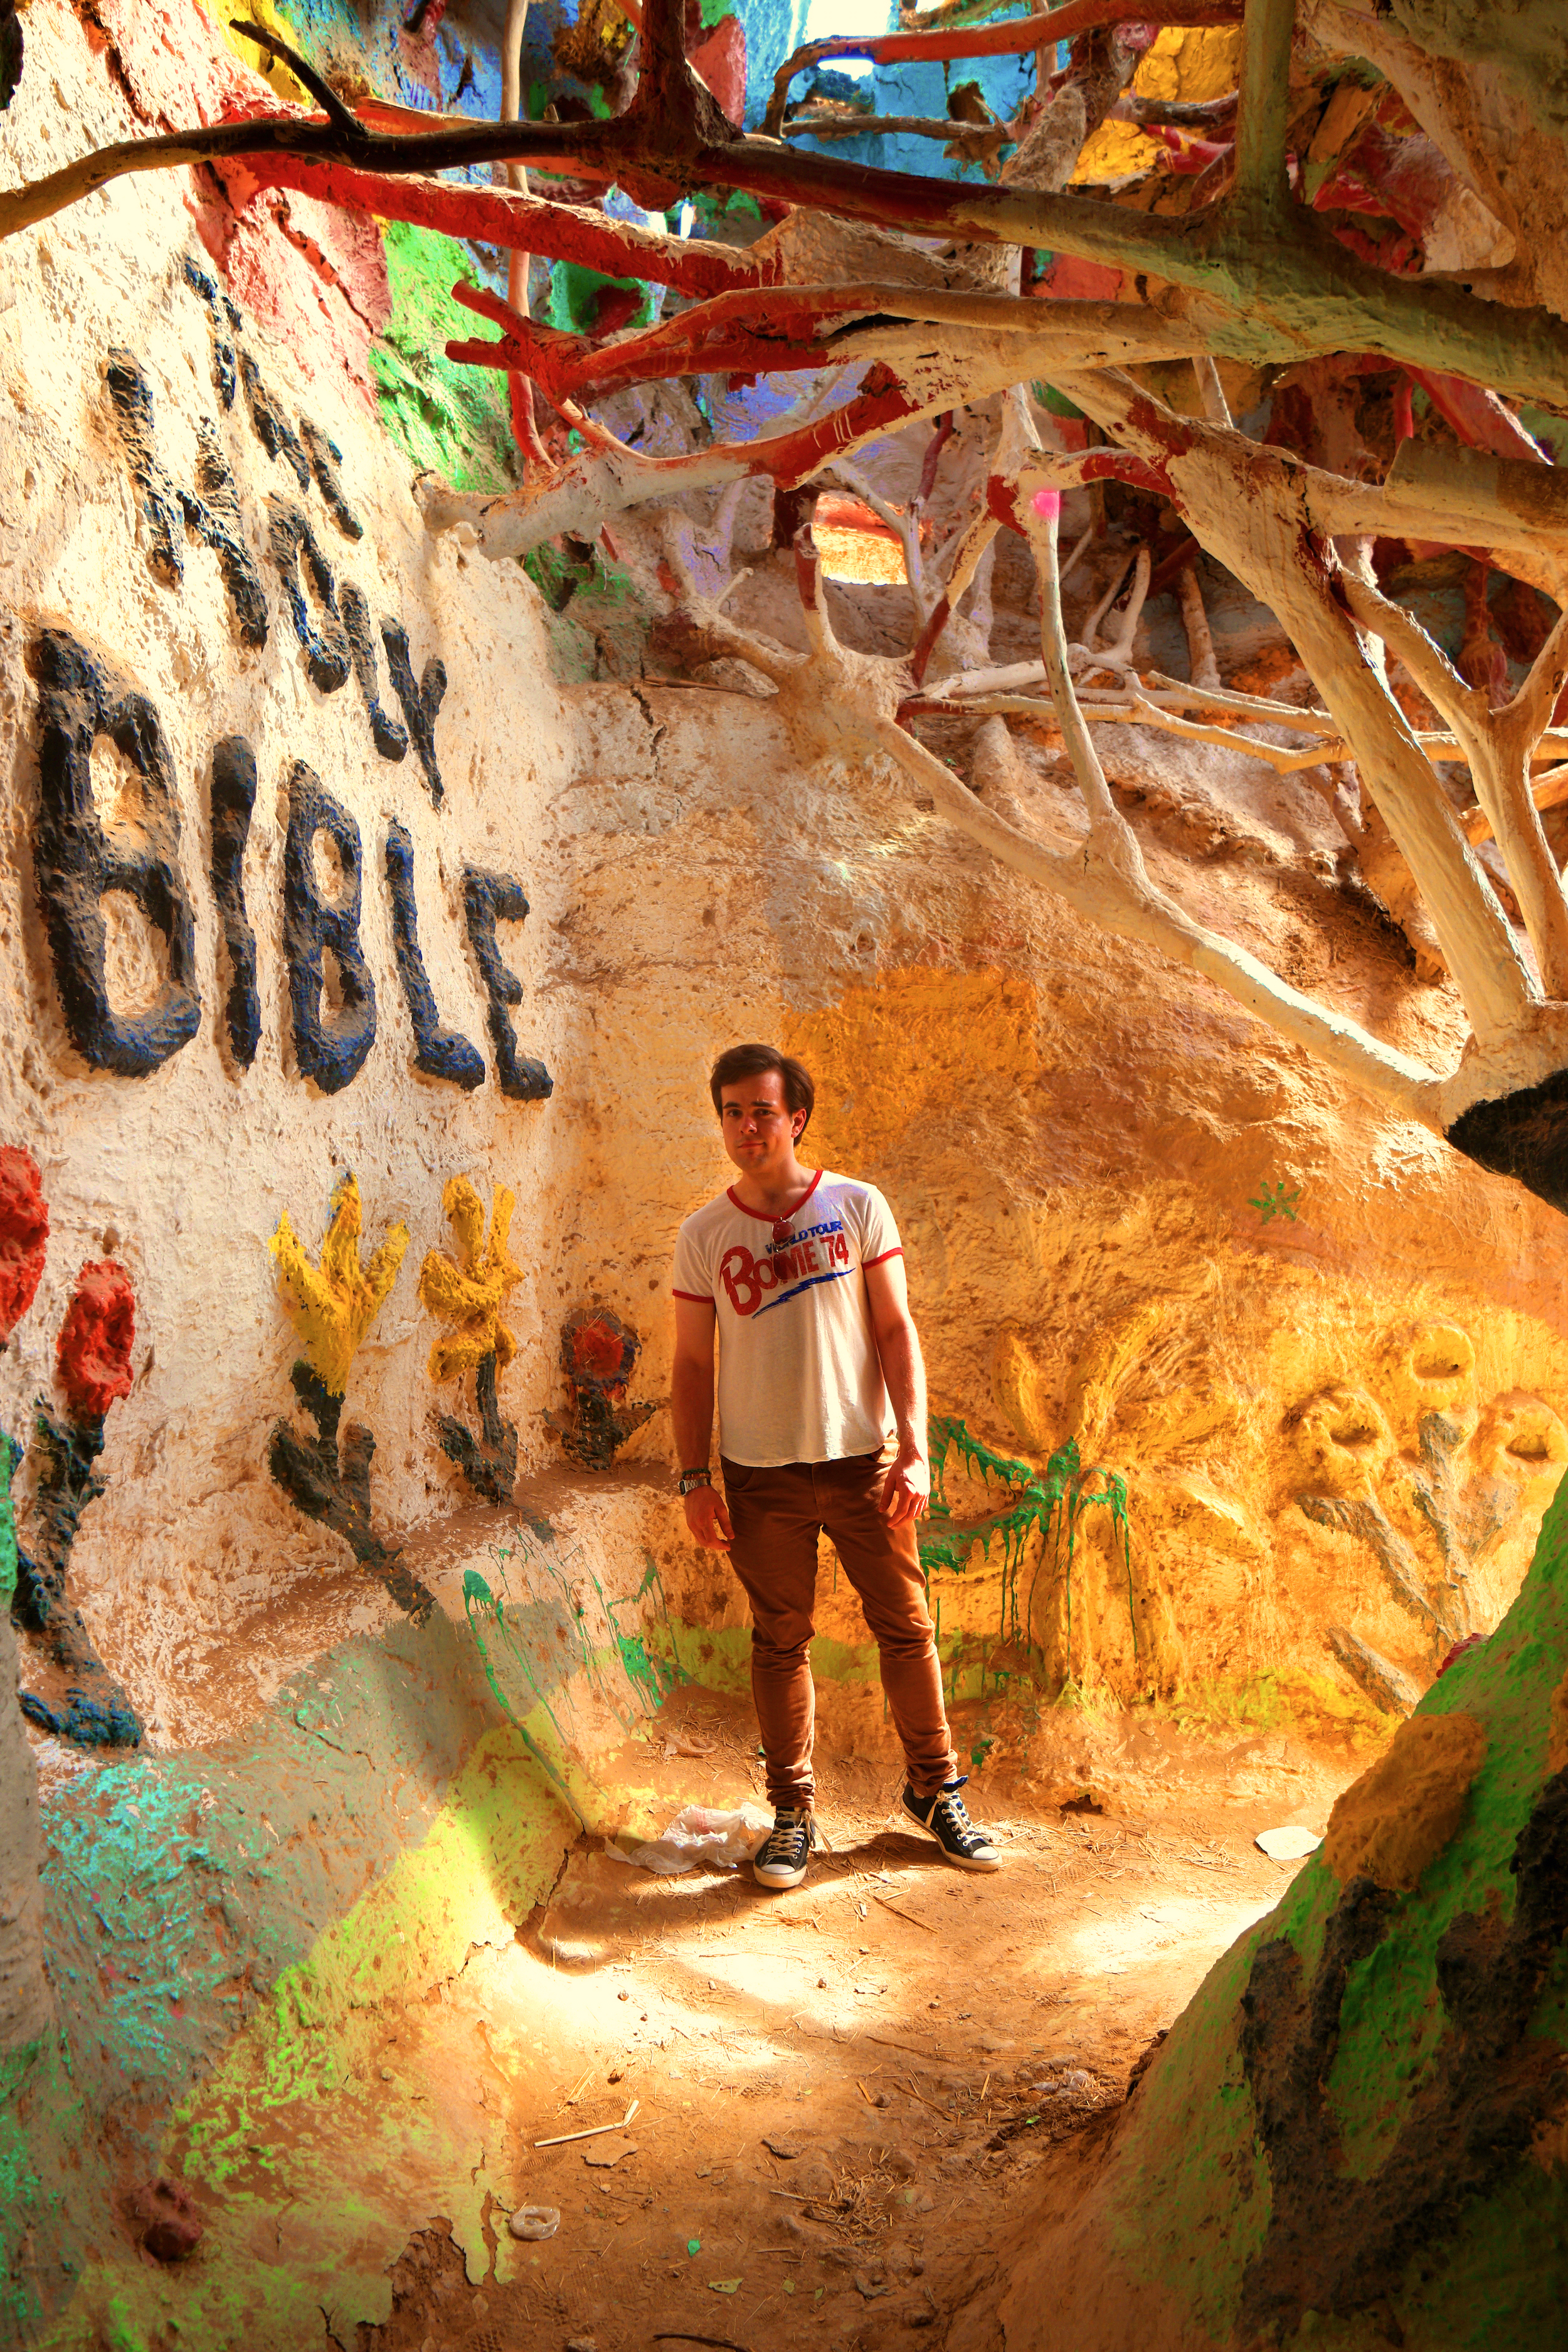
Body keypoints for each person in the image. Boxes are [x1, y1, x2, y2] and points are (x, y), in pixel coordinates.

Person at [670, 1042, 1000, 1891]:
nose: (747, 1126)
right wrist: (693, 1477)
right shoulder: (705, 1235)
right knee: (780, 1641)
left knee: (906, 1626)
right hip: (758, 1473)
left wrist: (917, 1450)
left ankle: (935, 1790)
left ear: (797, 1119)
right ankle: (792, 1812)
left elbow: (896, 1331)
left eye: (764, 1111)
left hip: (864, 1461)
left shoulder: (857, 1207)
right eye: (733, 1111)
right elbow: (693, 1365)